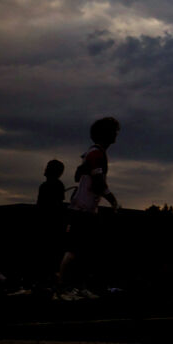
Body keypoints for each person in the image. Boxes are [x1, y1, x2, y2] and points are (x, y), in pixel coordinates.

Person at [55, 116, 121, 292]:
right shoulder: (96, 154)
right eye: (114, 131)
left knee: (80, 249)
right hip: (83, 209)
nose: (116, 134)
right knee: (77, 249)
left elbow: (80, 175)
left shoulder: (93, 153)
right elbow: (98, 182)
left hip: (83, 207)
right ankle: (65, 287)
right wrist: (113, 200)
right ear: (106, 133)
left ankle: (72, 286)